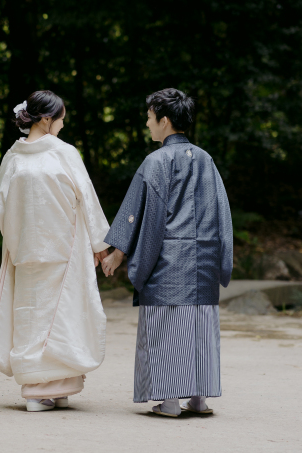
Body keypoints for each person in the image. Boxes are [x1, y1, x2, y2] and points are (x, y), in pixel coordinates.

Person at [102, 88, 233, 417]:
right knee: (199, 329)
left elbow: (138, 212)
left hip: (168, 262)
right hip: (202, 262)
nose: (147, 123)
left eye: (149, 117)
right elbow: (221, 213)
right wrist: (221, 258)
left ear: (165, 120)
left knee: (167, 329)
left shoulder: (156, 161)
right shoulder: (206, 160)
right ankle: (199, 398)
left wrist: (117, 254)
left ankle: (170, 401)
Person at [0, 90, 110, 412]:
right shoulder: (64, 154)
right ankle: (48, 388)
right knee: (63, 314)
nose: (63, 126)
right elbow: (87, 201)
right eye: (62, 119)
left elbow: (2, 208)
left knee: (31, 315)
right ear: (47, 118)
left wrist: (15, 241)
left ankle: (43, 389)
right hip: (63, 247)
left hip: (25, 249)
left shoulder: (13, 158)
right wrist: (100, 246)